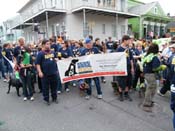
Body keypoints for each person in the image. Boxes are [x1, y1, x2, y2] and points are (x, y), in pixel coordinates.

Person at [141, 44, 166, 112]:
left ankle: (149, 101)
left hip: (146, 74)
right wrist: (161, 67)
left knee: (150, 88)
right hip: (151, 75)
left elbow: (143, 64)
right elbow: (155, 68)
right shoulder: (154, 57)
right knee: (151, 88)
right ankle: (147, 103)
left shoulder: (148, 55)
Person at [36, 39, 58, 105]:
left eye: (49, 44)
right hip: (45, 74)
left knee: (54, 87)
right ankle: (47, 99)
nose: (49, 45)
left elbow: (55, 60)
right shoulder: (40, 54)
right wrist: (40, 72)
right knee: (45, 88)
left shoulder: (53, 52)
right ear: (43, 45)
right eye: (47, 44)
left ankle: (54, 98)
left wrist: (56, 61)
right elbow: (38, 64)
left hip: (54, 73)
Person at [116, 35, 134, 101]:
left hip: (128, 67)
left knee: (128, 81)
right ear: (124, 40)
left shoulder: (128, 48)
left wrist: (132, 67)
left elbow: (131, 59)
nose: (130, 41)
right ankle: (120, 94)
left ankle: (126, 94)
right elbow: (117, 59)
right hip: (122, 68)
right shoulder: (119, 49)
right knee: (121, 81)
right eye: (128, 40)